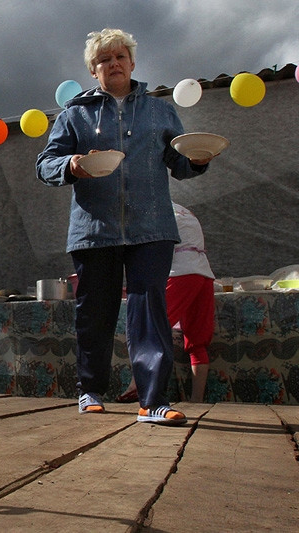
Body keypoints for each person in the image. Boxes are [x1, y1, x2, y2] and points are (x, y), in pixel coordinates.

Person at [36, 28, 214, 425]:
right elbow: (44, 165)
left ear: (132, 63)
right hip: (93, 230)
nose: (113, 64)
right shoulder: (74, 115)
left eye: (119, 57)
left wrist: (199, 160)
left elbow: (181, 164)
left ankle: (153, 401)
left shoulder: (160, 111)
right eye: (103, 60)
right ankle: (90, 391)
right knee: (94, 312)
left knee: (150, 309)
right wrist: (71, 164)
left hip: (152, 227)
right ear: (93, 71)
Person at [116, 203, 216, 403]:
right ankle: (197, 400)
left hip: (181, 273)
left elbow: (146, 252)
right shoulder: (182, 210)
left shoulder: (148, 209)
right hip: (203, 273)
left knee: (150, 328)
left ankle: (137, 386)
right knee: (197, 340)